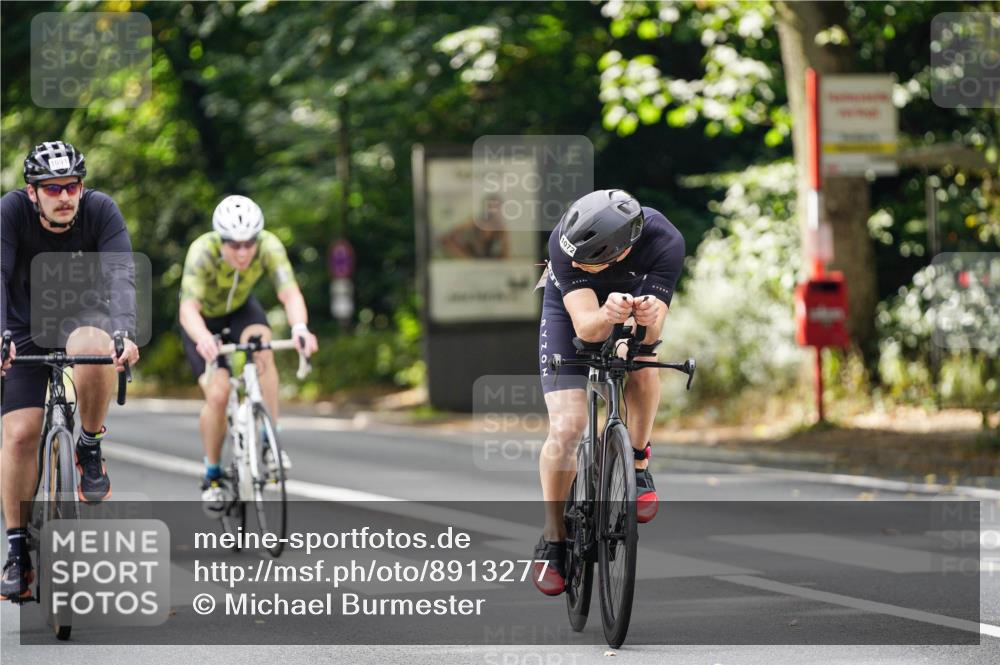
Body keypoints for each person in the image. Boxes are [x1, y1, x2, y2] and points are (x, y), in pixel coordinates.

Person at [1, 141, 140, 600]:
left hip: (84, 317)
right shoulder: (10, 213)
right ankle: (17, 551)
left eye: (72, 186)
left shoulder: (100, 211)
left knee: (96, 346)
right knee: (20, 434)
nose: (64, 196)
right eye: (52, 188)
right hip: (23, 326)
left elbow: (121, 274)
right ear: (32, 192)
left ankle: (89, 444)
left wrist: (124, 332)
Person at [533, 189, 685, 595]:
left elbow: (651, 335)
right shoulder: (564, 245)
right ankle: (553, 538)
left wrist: (644, 320)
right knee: (568, 427)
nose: (574, 263)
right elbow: (586, 328)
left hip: (632, 302)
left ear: (620, 252)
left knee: (643, 364)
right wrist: (605, 314)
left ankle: (637, 459)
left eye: (586, 260)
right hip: (573, 310)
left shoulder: (665, 241)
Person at [178, 195, 317, 516]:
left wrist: (300, 327)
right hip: (203, 321)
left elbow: (289, 293)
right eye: (234, 244)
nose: (242, 252)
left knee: (264, 349)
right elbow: (188, 309)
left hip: (241, 310)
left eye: (249, 243)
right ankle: (213, 474)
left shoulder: (269, 245)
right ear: (220, 239)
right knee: (218, 393)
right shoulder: (203, 251)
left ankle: (270, 440)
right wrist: (203, 338)